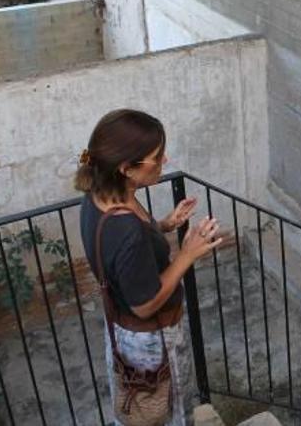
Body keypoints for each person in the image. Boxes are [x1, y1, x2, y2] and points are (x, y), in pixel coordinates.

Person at [76, 109, 222, 425]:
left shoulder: (100, 197)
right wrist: (187, 254)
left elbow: (127, 253)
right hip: (151, 340)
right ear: (127, 168)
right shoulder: (126, 230)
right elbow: (144, 304)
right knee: (167, 412)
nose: (164, 161)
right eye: (155, 158)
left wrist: (165, 225)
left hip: (121, 329)